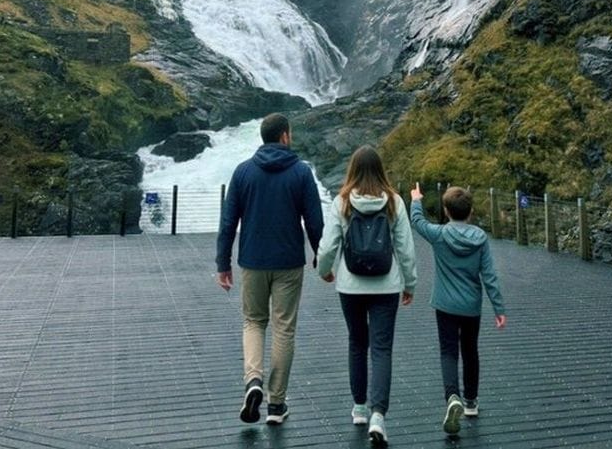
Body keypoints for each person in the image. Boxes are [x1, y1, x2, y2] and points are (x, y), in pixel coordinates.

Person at [216, 113, 324, 425]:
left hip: (252, 260)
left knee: (253, 322)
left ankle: (253, 381)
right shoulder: (302, 173)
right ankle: (276, 405)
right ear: (285, 137)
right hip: (289, 262)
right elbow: (315, 223)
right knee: (283, 328)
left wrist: (223, 264)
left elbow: (227, 223)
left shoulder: (243, 172)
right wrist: (321, 256)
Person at [317, 145, 417, 445]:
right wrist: (410, 283)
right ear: (380, 169)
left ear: (353, 169)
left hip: (351, 285)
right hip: (387, 286)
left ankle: (359, 407)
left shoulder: (343, 201)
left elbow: (329, 243)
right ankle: (378, 415)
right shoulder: (394, 202)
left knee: (357, 343)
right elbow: (405, 248)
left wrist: (325, 269)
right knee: (381, 348)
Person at [410, 183, 506, 436]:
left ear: (445, 210)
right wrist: (499, 308)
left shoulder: (439, 234)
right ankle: (471, 401)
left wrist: (416, 199)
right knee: (470, 350)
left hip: (444, 304)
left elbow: (417, 222)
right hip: (471, 306)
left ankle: (452, 395)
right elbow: (490, 276)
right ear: (471, 211)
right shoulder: (481, 239)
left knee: (448, 352)